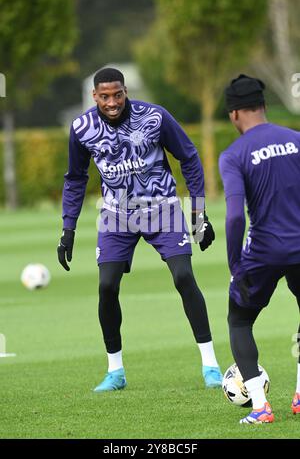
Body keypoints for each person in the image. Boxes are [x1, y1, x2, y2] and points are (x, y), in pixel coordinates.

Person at [57, 67, 222, 392]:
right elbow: (75, 178)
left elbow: (188, 157)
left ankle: (211, 365)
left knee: (184, 277)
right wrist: (68, 229)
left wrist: (199, 213)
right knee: (106, 286)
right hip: (116, 215)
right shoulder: (82, 127)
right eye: (104, 96)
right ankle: (115, 371)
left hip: (163, 209)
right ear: (94, 96)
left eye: (117, 94)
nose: (112, 102)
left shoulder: (155, 117)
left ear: (125, 91)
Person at [219, 73, 300, 424]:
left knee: (239, 320)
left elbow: (235, 215)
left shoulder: (234, 154)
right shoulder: (296, 140)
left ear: (233, 115)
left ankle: (260, 407)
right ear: (264, 106)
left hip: (263, 251)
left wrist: (235, 262)